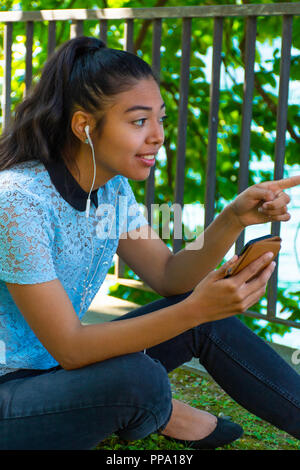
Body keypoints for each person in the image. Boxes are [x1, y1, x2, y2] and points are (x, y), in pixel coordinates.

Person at [0, 36, 299, 451]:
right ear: (84, 125)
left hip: (56, 373)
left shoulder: (110, 191)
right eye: (139, 121)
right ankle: (160, 410)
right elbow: (70, 348)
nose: (157, 135)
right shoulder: (18, 201)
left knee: (204, 321)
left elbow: (168, 276)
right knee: (139, 378)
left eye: (159, 119)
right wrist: (194, 308)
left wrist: (232, 219)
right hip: (10, 392)